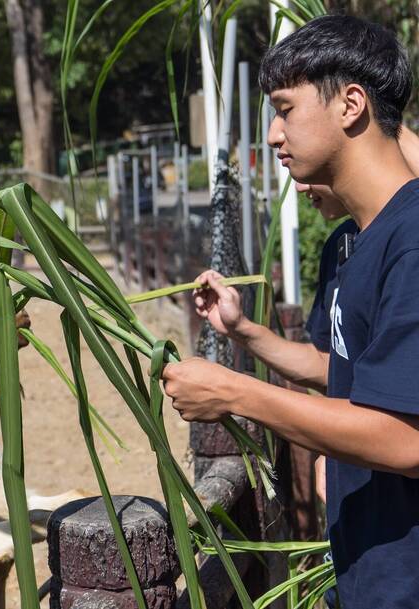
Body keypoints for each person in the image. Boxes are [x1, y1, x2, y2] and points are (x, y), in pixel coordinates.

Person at [161, 15, 419, 609]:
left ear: (351, 104)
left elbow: (405, 437)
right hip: (368, 569)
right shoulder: (359, 240)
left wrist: (235, 394)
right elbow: (350, 372)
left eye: (285, 109)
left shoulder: (411, 241)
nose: (275, 135)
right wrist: (244, 332)